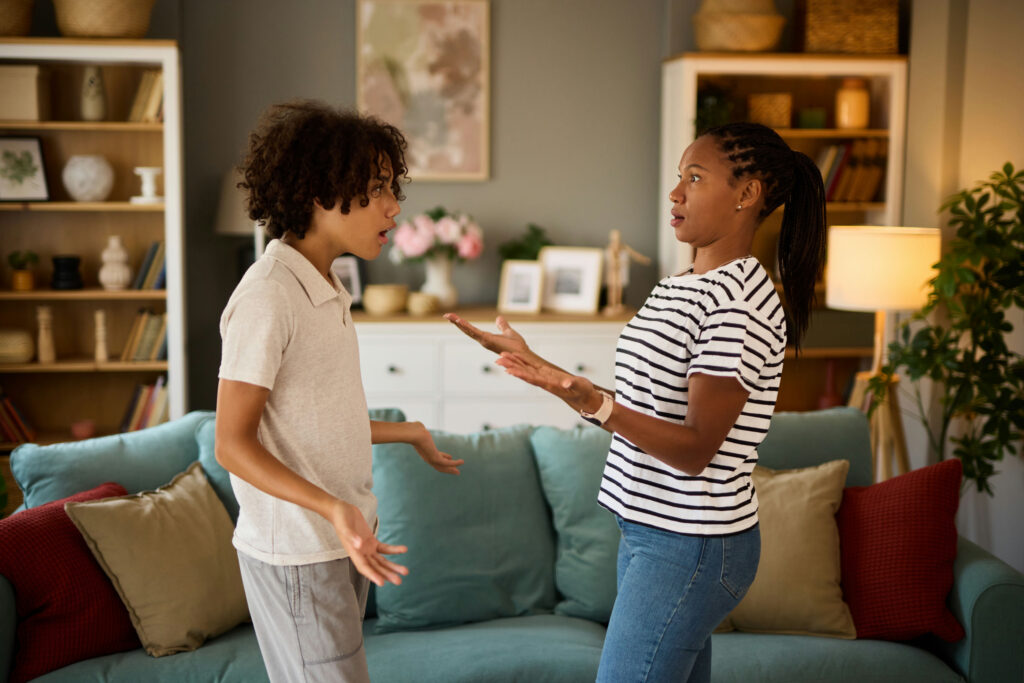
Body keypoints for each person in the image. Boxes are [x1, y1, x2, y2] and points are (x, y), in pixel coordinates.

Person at [446, 121, 826, 683]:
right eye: (679, 177)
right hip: (650, 530)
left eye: (695, 178)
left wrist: (592, 402)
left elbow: (696, 448)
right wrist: (553, 375)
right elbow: (652, 408)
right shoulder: (681, 285)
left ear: (748, 195)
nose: (675, 193)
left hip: (692, 543)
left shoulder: (740, 303)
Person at [215, 100, 464, 683]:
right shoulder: (268, 297)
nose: (394, 206)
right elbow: (231, 443)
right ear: (318, 192)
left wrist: (407, 432)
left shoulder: (325, 287)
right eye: (377, 188)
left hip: (337, 542)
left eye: (391, 187)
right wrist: (334, 507)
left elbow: (310, 420)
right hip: (303, 550)